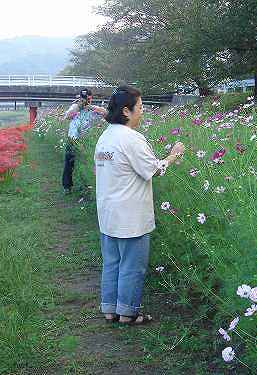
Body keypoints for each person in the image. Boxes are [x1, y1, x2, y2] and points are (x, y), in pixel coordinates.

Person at [94, 85, 185, 325]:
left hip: (108, 212)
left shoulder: (105, 137)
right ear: (126, 111)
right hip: (130, 216)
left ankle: (110, 310)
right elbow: (152, 169)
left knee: (112, 263)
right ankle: (128, 313)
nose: (143, 112)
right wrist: (174, 155)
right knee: (132, 267)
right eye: (141, 108)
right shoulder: (130, 138)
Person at [62, 88, 107, 194]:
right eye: (84, 98)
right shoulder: (75, 107)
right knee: (69, 163)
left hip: (85, 140)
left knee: (85, 163)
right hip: (72, 140)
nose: (85, 101)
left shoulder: (92, 109)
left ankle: (86, 185)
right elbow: (67, 116)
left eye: (88, 98)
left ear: (91, 98)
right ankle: (67, 187)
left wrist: (90, 106)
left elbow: (105, 113)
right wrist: (78, 106)